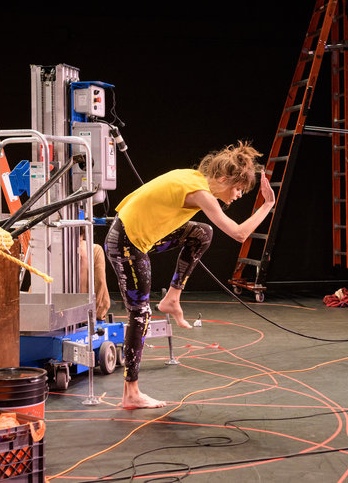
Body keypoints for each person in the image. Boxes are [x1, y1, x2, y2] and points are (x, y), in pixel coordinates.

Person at [105, 141, 275, 409]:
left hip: (139, 237)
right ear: (222, 179)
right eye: (238, 188)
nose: (239, 195)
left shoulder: (194, 177)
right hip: (126, 243)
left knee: (202, 233)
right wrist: (267, 206)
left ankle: (172, 298)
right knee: (140, 314)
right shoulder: (201, 193)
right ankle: (131, 393)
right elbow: (239, 234)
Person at [79, 232, 111, 321]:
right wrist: (97, 313)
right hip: (86, 314)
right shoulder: (94, 249)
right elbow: (100, 282)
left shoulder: (47, 250)